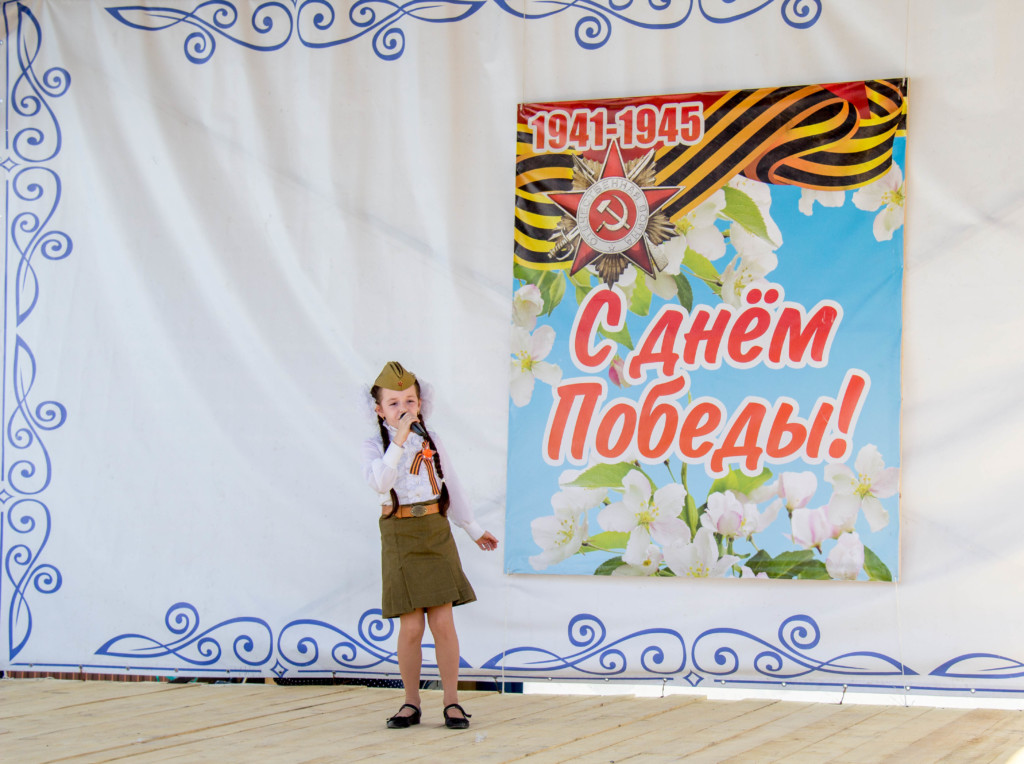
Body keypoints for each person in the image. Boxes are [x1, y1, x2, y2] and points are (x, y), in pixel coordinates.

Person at [361, 361, 499, 730]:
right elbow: (380, 483)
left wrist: (472, 528)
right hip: (400, 533)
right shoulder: (375, 446)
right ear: (379, 410)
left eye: (409, 401)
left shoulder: (431, 440)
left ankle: (452, 701)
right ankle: (411, 701)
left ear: (420, 404)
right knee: (410, 627)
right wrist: (400, 440)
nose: (403, 408)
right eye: (393, 403)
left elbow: (450, 483)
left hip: (435, 529)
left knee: (442, 621)